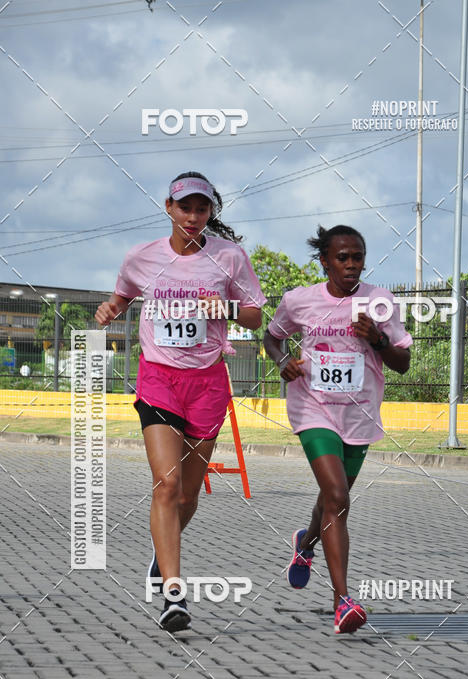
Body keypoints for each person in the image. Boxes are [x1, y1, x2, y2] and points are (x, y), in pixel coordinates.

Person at [95, 172, 266, 632]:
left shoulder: (228, 258)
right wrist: (111, 308)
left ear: (211, 212)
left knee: (188, 494)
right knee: (166, 485)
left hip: (208, 382)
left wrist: (225, 308)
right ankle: (174, 593)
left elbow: (254, 312)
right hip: (159, 378)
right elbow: (124, 294)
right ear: (168, 208)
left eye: (202, 209)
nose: (193, 216)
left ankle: (160, 554)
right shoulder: (142, 257)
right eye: (185, 207)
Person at [263, 225, 412, 634]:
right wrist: (281, 363)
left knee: (333, 501)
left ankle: (305, 544)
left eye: (358, 257)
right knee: (337, 497)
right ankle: (342, 601)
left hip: (359, 414)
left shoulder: (379, 302)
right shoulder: (299, 300)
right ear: (325, 261)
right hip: (312, 407)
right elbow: (271, 337)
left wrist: (378, 340)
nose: (351, 265)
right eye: (342, 258)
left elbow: (403, 363)